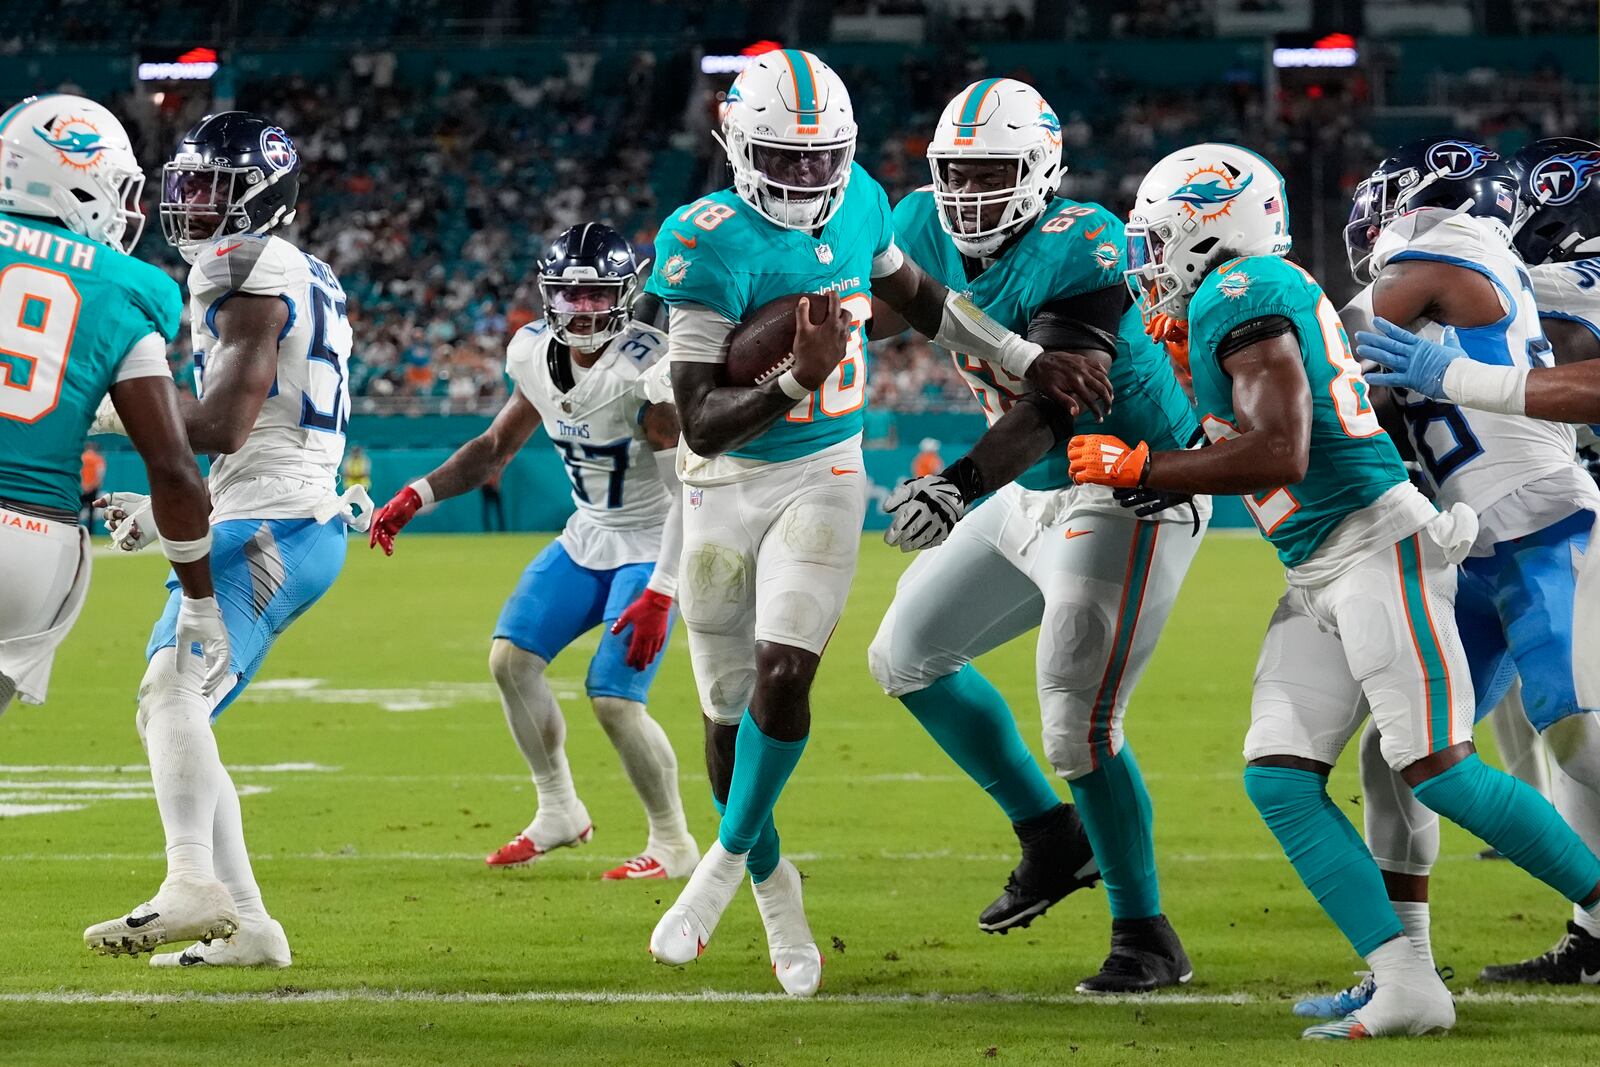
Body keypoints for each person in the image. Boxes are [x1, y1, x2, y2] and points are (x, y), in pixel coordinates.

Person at [1070, 142, 1600, 1040]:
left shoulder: (1271, 288)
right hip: (1333, 562)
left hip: (1412, 542)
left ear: (1210, 233)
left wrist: (1146, 459)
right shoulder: (1231, 305)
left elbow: (1286, 441)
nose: (1146, 260)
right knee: (1296, 773)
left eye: (1160, 238)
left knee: (1464, 764)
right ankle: (1404, 976)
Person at [643, 49, 1112, 997]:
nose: (811, 178)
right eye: (789, 157)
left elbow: (926, 304)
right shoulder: (701, 238)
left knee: (788, 671)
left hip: (825, 470)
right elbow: (698, 418)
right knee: (727, 713)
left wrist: (1026, 356)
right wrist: (796, 376)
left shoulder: (860, 199)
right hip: (720, 483)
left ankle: (722, 866)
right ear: (735, 142)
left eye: (826, 159)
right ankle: (780, 898)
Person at [866, 78, 1206, 992]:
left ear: (1042, 172)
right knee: (903, 654)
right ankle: (1051, 836)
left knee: (1077, 716)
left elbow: (1056, 400)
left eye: (994, 172)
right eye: (955, 172)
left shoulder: (1083, 238)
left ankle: (1145, 931)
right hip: (1034, 495)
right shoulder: (917, 223)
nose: (969, 193)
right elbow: (870, 314)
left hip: (1129, 485)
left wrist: (960, 482)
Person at [85, 112, 368, 968]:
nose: (194, 201)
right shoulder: (292, 270)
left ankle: (191, 881)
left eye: (215, 185)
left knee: (170, 690)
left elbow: (225, 422)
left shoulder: (250, 276)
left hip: (278, 521)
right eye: (190, 182)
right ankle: (249, 926)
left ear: (263, 195)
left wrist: (101, 401)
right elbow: (243, 432)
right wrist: (173, 496)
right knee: (179, 706)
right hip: (275, 512)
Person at [368, 223, 698, 881]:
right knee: (511, 660)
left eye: (595, 294)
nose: (580, 309)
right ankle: (559, 808)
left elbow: (691, 493)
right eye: (568, 295)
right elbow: (494, 448)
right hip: (589, 533)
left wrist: (664, 588)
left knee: (613, 697)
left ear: (623, 296)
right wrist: (418, 494)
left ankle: (674, 840)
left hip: (653, 540)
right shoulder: (531, 354)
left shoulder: (644, 372)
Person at [1353, 136, 1600, 983]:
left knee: (1577, 733)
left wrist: (1239, 306)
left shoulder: (1451, 241)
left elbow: (1332, 334)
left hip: (1545, 519)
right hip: (1480, 539)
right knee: (1401, 750)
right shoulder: (1507, 271)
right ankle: (1406, 970)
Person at [0, 93, 227, 750]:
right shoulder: (131, 284)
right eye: (117, 188)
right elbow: (176, 469)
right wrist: (199, 600)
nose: (129, 210)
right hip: (36, 545)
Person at [80, 441, 106, 527]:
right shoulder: (98, 459)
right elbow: (100, 475)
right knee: (91, 512)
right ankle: (89, 533)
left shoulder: (82, 458)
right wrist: (91, 486)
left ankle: (75, 529)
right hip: (93, 488)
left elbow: (78, 473)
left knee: (77, 509)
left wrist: (84, 486)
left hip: (82, 488)